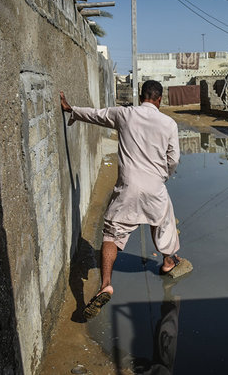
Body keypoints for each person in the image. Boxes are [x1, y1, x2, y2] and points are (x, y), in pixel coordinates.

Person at [60, 80, 193, 320]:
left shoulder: (125, 114)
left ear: (140, 96)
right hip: (155, 186)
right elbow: (173, 159)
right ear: (160, 100)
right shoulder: (169, 123)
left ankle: (107, 284)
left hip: (128, 187)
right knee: (163, 221)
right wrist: (163, 175)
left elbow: (97, 115)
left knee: (112, 234)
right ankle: (168, 261)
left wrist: (72, 110)